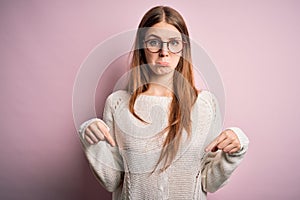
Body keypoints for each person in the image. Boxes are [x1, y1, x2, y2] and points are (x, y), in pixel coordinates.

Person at [78, 5, 249, 200]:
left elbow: (209, 182)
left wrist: (236, 148)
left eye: (173, 43)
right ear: (143, 47)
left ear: (183, 48)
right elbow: (111, 180)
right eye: (154, 42)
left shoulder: (205, 105)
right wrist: (92, 138)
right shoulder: (117, 103)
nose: (164, 52)